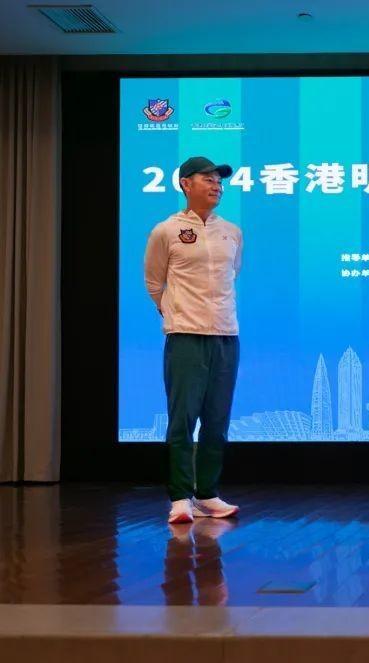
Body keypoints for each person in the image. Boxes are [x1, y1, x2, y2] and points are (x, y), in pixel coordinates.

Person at [144, 156, 243, 524]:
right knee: (182, 420)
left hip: (226, 336)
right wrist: (175, 313)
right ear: (186, 183)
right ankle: (180, 497)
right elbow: (154, 282)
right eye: (208, 179)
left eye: (219, 181)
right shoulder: (166, 231)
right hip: (185, 336)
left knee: (217, 421)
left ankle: (207, 494)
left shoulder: (232, 232)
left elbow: (233, 274)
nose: (217, 185)